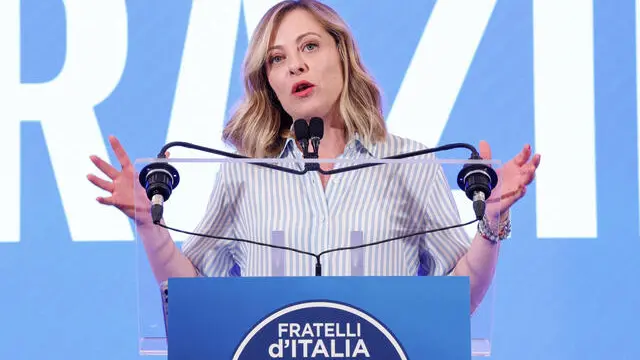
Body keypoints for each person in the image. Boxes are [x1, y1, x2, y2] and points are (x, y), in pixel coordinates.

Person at [87, 0, 540, 313]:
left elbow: (461, 300)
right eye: (277, 59)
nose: (295, 66)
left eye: (309, 46)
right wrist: (149, 226)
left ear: (341, 54)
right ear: (270, 82)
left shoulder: (409, 162)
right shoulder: (244, 172)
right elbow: (189, 299)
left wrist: (492, 220)